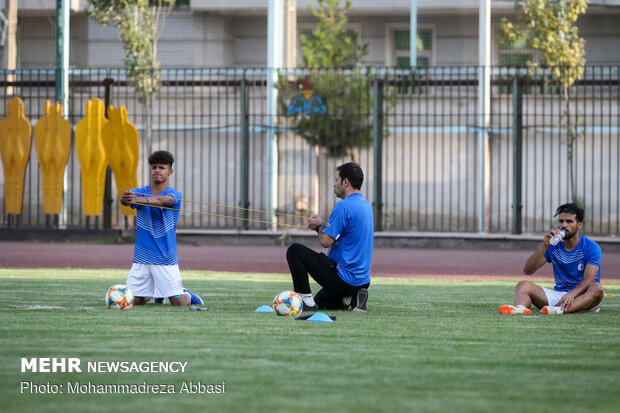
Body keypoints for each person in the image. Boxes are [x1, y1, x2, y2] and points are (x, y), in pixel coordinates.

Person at [286, 162, 374, 312]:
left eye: (336, 180)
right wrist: (322, 224)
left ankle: (306, 302)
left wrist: (318, 227)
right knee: (320, 304)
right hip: (362, 281)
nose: (334, 184)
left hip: (343, 279)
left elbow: (326, 241)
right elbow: (344, 233)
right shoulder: (365, 205)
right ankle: (352, 298)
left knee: (294, 250)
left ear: (345, 182)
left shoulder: (343, 206)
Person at [120, 150, 203, 307]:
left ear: (170, 171)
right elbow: (125, 201)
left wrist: (137, 199)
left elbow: (161, 200)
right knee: (134, 301)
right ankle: (156, 295)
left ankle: (187, 294)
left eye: (162, 167)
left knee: (179, 304)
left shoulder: (174, 194)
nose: (157, 170)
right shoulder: (139, 191)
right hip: (142, 256)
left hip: (165, 257)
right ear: (150, 170)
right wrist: (125, 198)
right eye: (154, 167)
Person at [499, 203, 604, 315]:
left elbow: (589, 280)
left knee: (597, 288)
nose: (564, 225)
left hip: (583, 297)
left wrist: (572, 294)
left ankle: (560, 310)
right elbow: (528, 270)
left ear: (579, 225)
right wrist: (545, 245)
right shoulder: (553, 245)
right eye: (561, 221)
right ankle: (521, 309)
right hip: (559, 296)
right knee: (523, 285)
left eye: (569, 221)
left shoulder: (591, 247)